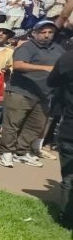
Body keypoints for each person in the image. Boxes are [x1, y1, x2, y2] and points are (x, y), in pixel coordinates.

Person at [0, 20, 64, 168]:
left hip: (45, 94)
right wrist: (45, 68)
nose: (47, 35)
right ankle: (6, 152)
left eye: (50, 32)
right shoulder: (27, 47)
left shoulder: (58, 49)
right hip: (21, 91)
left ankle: (21, 151)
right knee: (13, 124)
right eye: (43, 32)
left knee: (35, 125)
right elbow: (18, 65)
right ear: (34, 33)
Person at [47, 38, 73, 229]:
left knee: (70, 176)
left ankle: (67, 218)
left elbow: (53, 80)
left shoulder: (69, 58)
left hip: (70, 129)